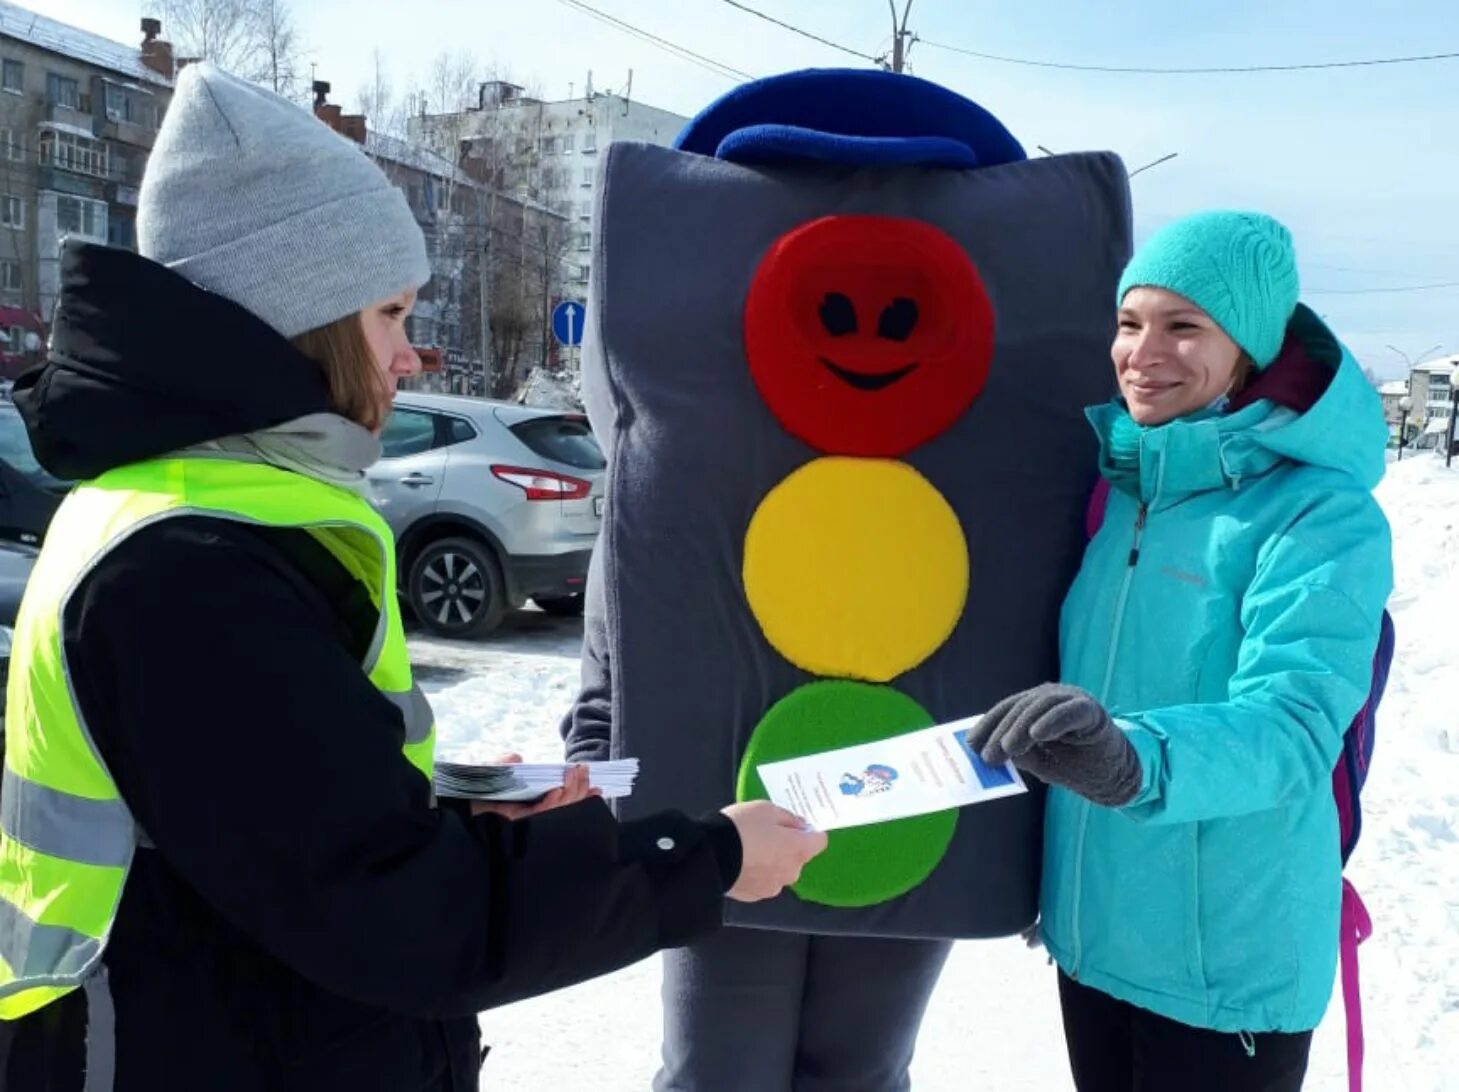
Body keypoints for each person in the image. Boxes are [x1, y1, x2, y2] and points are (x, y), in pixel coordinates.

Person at [0, 62, 824, 1091]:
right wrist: (703, 862)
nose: (413, 355)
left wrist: (452, 815)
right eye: (389, 313)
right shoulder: (189, 572)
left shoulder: (198, 517)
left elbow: (280, 832)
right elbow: (394, 914)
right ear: (295, 318)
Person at [970, 210, 1394, 1092]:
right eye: (1129, 323)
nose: (1142, 352)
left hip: (1224, 970)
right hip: (1093, 941)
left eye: (1183, 326)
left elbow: (1292, 727)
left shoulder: (1319, 514)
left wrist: (1132, 758)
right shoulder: (1122, 494)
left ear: (1246, 346)